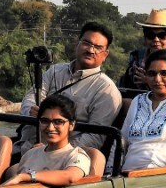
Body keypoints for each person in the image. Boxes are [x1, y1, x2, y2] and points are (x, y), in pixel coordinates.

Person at [16, 21, 122, 154]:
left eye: (98, 47)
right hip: (24, 145)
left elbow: (95, 137)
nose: (90, 50)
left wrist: (54, 150)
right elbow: (30, 98)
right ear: (77, 44)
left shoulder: (106, 90)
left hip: (63, 158)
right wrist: (36, 114)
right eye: (86, 43)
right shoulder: (55, 70)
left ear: (105, 54)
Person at [1, 95, 91, 187]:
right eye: (45, 121)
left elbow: (70, 176)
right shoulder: (31, 154)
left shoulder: (76, 156)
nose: (50, 128)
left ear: (71, 125)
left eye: (58, 122)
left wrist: (26, 177)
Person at [119, 9, 166, 92]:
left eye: (161, 35)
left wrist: (149, 80)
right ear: (145, 37)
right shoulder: (136, 57)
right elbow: (125, 86)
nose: (156, 39)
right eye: (150, 35)